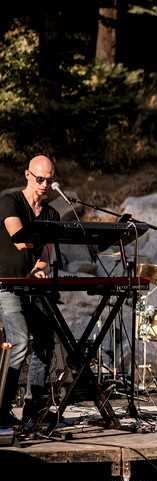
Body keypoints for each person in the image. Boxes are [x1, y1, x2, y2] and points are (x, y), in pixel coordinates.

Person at [0, 155, 60, 428]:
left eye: (49, 179)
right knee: (20, 341)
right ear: (27, 175)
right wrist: (47, 234)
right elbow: (19, 240)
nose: (45, 184)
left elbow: (47, 252)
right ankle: (2, 407)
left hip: (31, 287)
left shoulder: (51, 214)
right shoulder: (10, 201)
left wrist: (40, 267)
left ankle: (33, 406)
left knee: (47, 340)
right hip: (6, 285)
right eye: (40, 179)